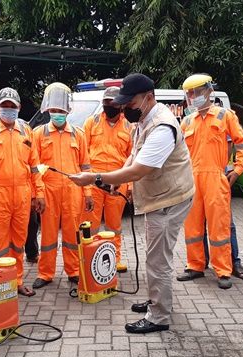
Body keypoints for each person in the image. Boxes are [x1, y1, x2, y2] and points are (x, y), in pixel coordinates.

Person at [70, 73, 195, 334]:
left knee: (158, 260)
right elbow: (133, 154)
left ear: (149, 98)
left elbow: (139, 169)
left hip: (169, 199)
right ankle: (156, 300)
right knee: (154, 255)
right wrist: (115, 180)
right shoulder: (145, 118)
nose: (125, 108)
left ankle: (159, 316)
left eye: (130, 103)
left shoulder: (162, 127)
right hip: (160, 197)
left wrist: (96, 177)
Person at [175, 74, 243, 289]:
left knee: (219, 226)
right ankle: (195, 266)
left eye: (196, 92)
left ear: (208, 91)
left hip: (216, 177)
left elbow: (242, 143)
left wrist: (237, 169)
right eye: (189, 93)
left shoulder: (225, 116)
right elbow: (178, 153)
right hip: (192, 179)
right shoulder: (187, 121)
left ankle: (223, 270)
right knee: (192, 226)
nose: (192, 97)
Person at [0, 87, 46, 297]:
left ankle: (16, 281)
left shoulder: (26, 130)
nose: (8, 110)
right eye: (4, 106)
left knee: (18, 241)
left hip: (23, 195)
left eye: (12, 106)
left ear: (19, 108)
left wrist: (38, 194)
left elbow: (35, 166)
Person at [32, 82, 94, 289]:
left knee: (71, 234)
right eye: (54, 111)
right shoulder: (39, 134)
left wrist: (88, 193)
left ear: (68, 111)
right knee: (48, 235)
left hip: (72, 191)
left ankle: (73, 271)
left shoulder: (78, 134)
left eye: (61, 111)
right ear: (48, 110)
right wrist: (37, 194)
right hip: (48, 191)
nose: (57, 114)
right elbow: (34, 167)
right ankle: (45, 273)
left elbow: (85, 166)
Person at [81, 86, 133, 273]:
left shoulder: (129, 126)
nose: (109, 106)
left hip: (118, 182)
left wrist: (131, 185)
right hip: (94, 181)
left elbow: (133, 158)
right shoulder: (91, 123)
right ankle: (90, 258)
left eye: (113, 102)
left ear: (120, 105)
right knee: (91, 225)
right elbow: (83, 155)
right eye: (106, 103)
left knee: (114, 225)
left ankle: (113, 258)